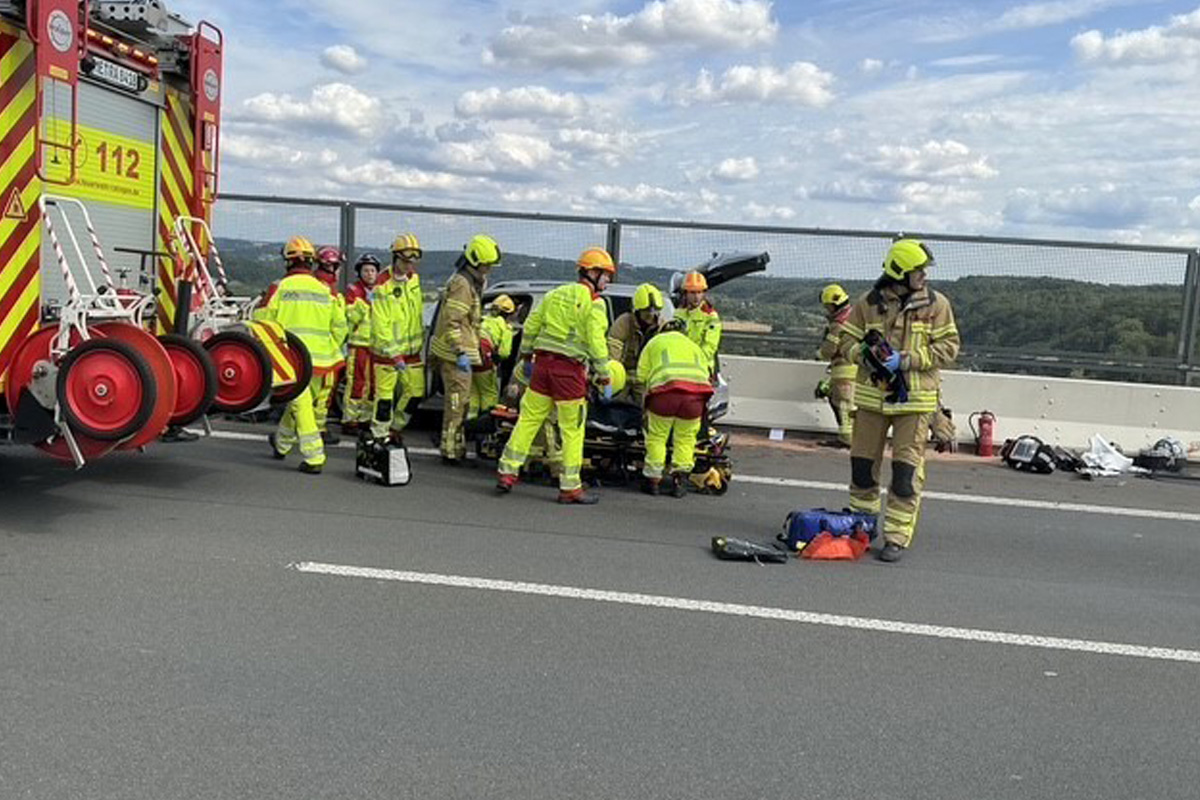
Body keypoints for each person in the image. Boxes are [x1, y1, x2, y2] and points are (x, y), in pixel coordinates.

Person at [836, 239, 960, 562]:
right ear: (900, 273)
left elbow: (949, 348)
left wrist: (905, 359)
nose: (924, 277)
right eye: (918, 271)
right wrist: (864, 356)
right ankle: (862, 526)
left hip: (915, 403)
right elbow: (846, 340)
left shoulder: (937, 305)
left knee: (905, 475)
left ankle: (896, 536)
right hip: (871, 400)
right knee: (862, 468)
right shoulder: (867, 303)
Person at [496, 247, 615, 504]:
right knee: (572, 429)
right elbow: (596, 341)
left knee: (528, 420)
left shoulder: (554, 295)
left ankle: (507, 472)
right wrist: (605, 375)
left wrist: (527, 357)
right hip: (569, 372)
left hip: (542, 368)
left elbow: (530, 327)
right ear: (592, 273)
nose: (608, 281)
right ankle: (570, 487)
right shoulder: (595, 304)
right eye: (605, 275)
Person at [262, 235, 347, 474]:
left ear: (288, 262)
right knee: (300, 404)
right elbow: (340, 326)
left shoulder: (279, 288)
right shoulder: (324, 290)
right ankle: (281, 444)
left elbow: (262, 321)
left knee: (301, 405)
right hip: (323, 361)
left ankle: (314, 456)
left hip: (293, 360)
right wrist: (330, 347)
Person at [429, 234, 501, 463]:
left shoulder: (468, 281)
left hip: (459, 353)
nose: (488, 270)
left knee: (461, 404)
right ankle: (450, 451)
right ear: (474, 262)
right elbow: (454, 321)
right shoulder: (463, 284)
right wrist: (460, 351)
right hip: (454, 355)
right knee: (456, 405)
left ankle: (455, 448)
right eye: (485, 265)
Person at [637, 319, 714, 497]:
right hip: (695, 398)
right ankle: (679, 481)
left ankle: (653, 481)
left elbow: (641, 375)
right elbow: (707, 373)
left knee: (657, 437)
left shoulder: (655, 342)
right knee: (686, 439)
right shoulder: (694, 346)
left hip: (665, 395)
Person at [370, 234, 426, 443]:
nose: (409, 265)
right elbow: (379, 323)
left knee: (416, 392)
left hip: (412, 352)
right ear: (395, 258)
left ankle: (396, 426)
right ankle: (380, 433)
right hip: (388, 354)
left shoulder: (414, 280)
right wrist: (394, 353)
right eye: (405, 261)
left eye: (412, 261)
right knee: (384, 399)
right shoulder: (381, 284)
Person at [341, 253, 380, 435]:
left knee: (373, 385)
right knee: (357, 383)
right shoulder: (353, 291)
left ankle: (365, 418)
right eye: (366, 270)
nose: (370, 274)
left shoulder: (381, 290)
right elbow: (350, 317)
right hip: (358, 344)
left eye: (373, 270)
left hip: (376, 345)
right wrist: (365, 303)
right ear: (359, 272)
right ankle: (350, 420)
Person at [313, 246, 347, 444]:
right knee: (323, 393)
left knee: (311, 395)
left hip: (309, 351)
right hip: (326, 351)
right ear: (333, 267)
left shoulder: (312, 286)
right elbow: (339, 327)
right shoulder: (330, 292)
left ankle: (314, 427)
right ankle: (317, 429)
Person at [607, 283, 663, 404]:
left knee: (647, 407)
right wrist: (613, 380)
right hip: (622, 374)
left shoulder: (661, 327)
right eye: (647, 310)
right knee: (610, 402)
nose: (651, 314)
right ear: (637, 310)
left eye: (654, 310)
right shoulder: (624, 322)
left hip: (645, 378)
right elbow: (614, 352)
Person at [816, 283, 857, 446]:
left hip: (843, 370)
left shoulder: (838, 324)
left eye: (827, 306)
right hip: (854, 369)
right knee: (842, 403)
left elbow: (829, 350)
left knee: (842, 406)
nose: (827, 310)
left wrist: (818, 353)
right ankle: (848, 438)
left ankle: (847, 439)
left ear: (833, 305)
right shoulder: (854, 318)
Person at [469, 294, 518, 419]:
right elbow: (504, 353)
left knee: (473, 393)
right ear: (509, 313)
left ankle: (470, 423)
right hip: (485, 362)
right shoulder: (505, 327)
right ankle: (485, 425)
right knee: (489, 393)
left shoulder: (482, 320)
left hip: (470, 359)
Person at [676, 271, 721, 377]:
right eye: (692, 292)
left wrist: (693, 360)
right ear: (686, 293)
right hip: (680, 366)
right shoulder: (678, 313)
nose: (696, 296)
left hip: (701, 368)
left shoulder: (710, 315)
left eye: (699, 292)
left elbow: (710, 346)